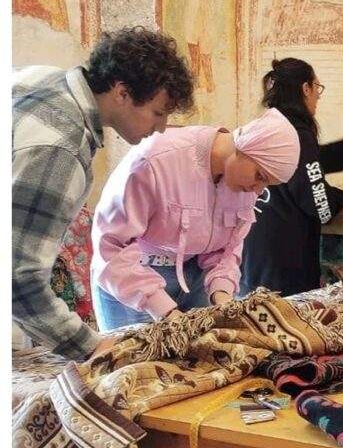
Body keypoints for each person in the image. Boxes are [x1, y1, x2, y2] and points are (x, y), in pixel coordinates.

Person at [12, 26, 195, 360]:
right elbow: (17, 275)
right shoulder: (60, 147)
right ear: (122, 92)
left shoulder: (42, 79)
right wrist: (91, 347)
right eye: (158, 113)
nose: (161, 128)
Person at [90, 109, 300, 330]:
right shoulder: (156, 160)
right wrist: (163, 309)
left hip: (196, 280)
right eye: (259, 176)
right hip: (132, 278)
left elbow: (228, 249)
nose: (257, 191)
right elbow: (111, 245)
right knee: (136, 352)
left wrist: (222, 296)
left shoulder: (243, 185)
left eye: (266, 185)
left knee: (203, 350)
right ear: (246, 147)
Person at [241, 58, 343, 297]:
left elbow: (314, 161)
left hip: (255, 255)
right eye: (317, 87)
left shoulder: (270, 126)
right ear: (305, 88)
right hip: (284, 262)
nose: (318, 95)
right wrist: (339, 199)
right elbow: (319, 205)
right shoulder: (297, 134)